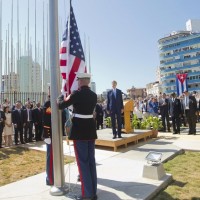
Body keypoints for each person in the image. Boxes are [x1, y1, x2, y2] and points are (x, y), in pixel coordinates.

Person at [57, 72, 97, 200]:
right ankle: (93, 191)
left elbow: (61, 105)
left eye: (78, 79)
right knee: (91, 162)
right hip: (90, 131)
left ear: (81, 81)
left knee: (82, 163)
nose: (77, 81)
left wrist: (59, 98)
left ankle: (87, 194)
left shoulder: (76, 94)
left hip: (80, 131)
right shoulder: (94, 95)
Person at [43, 96, 54, 186]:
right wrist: (47, 135)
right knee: (50, 157)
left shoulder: (57, 103)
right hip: (50, 135)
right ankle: (49, 178)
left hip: (56, 135)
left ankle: (55, 176)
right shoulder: (48, 104)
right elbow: (46, 120)